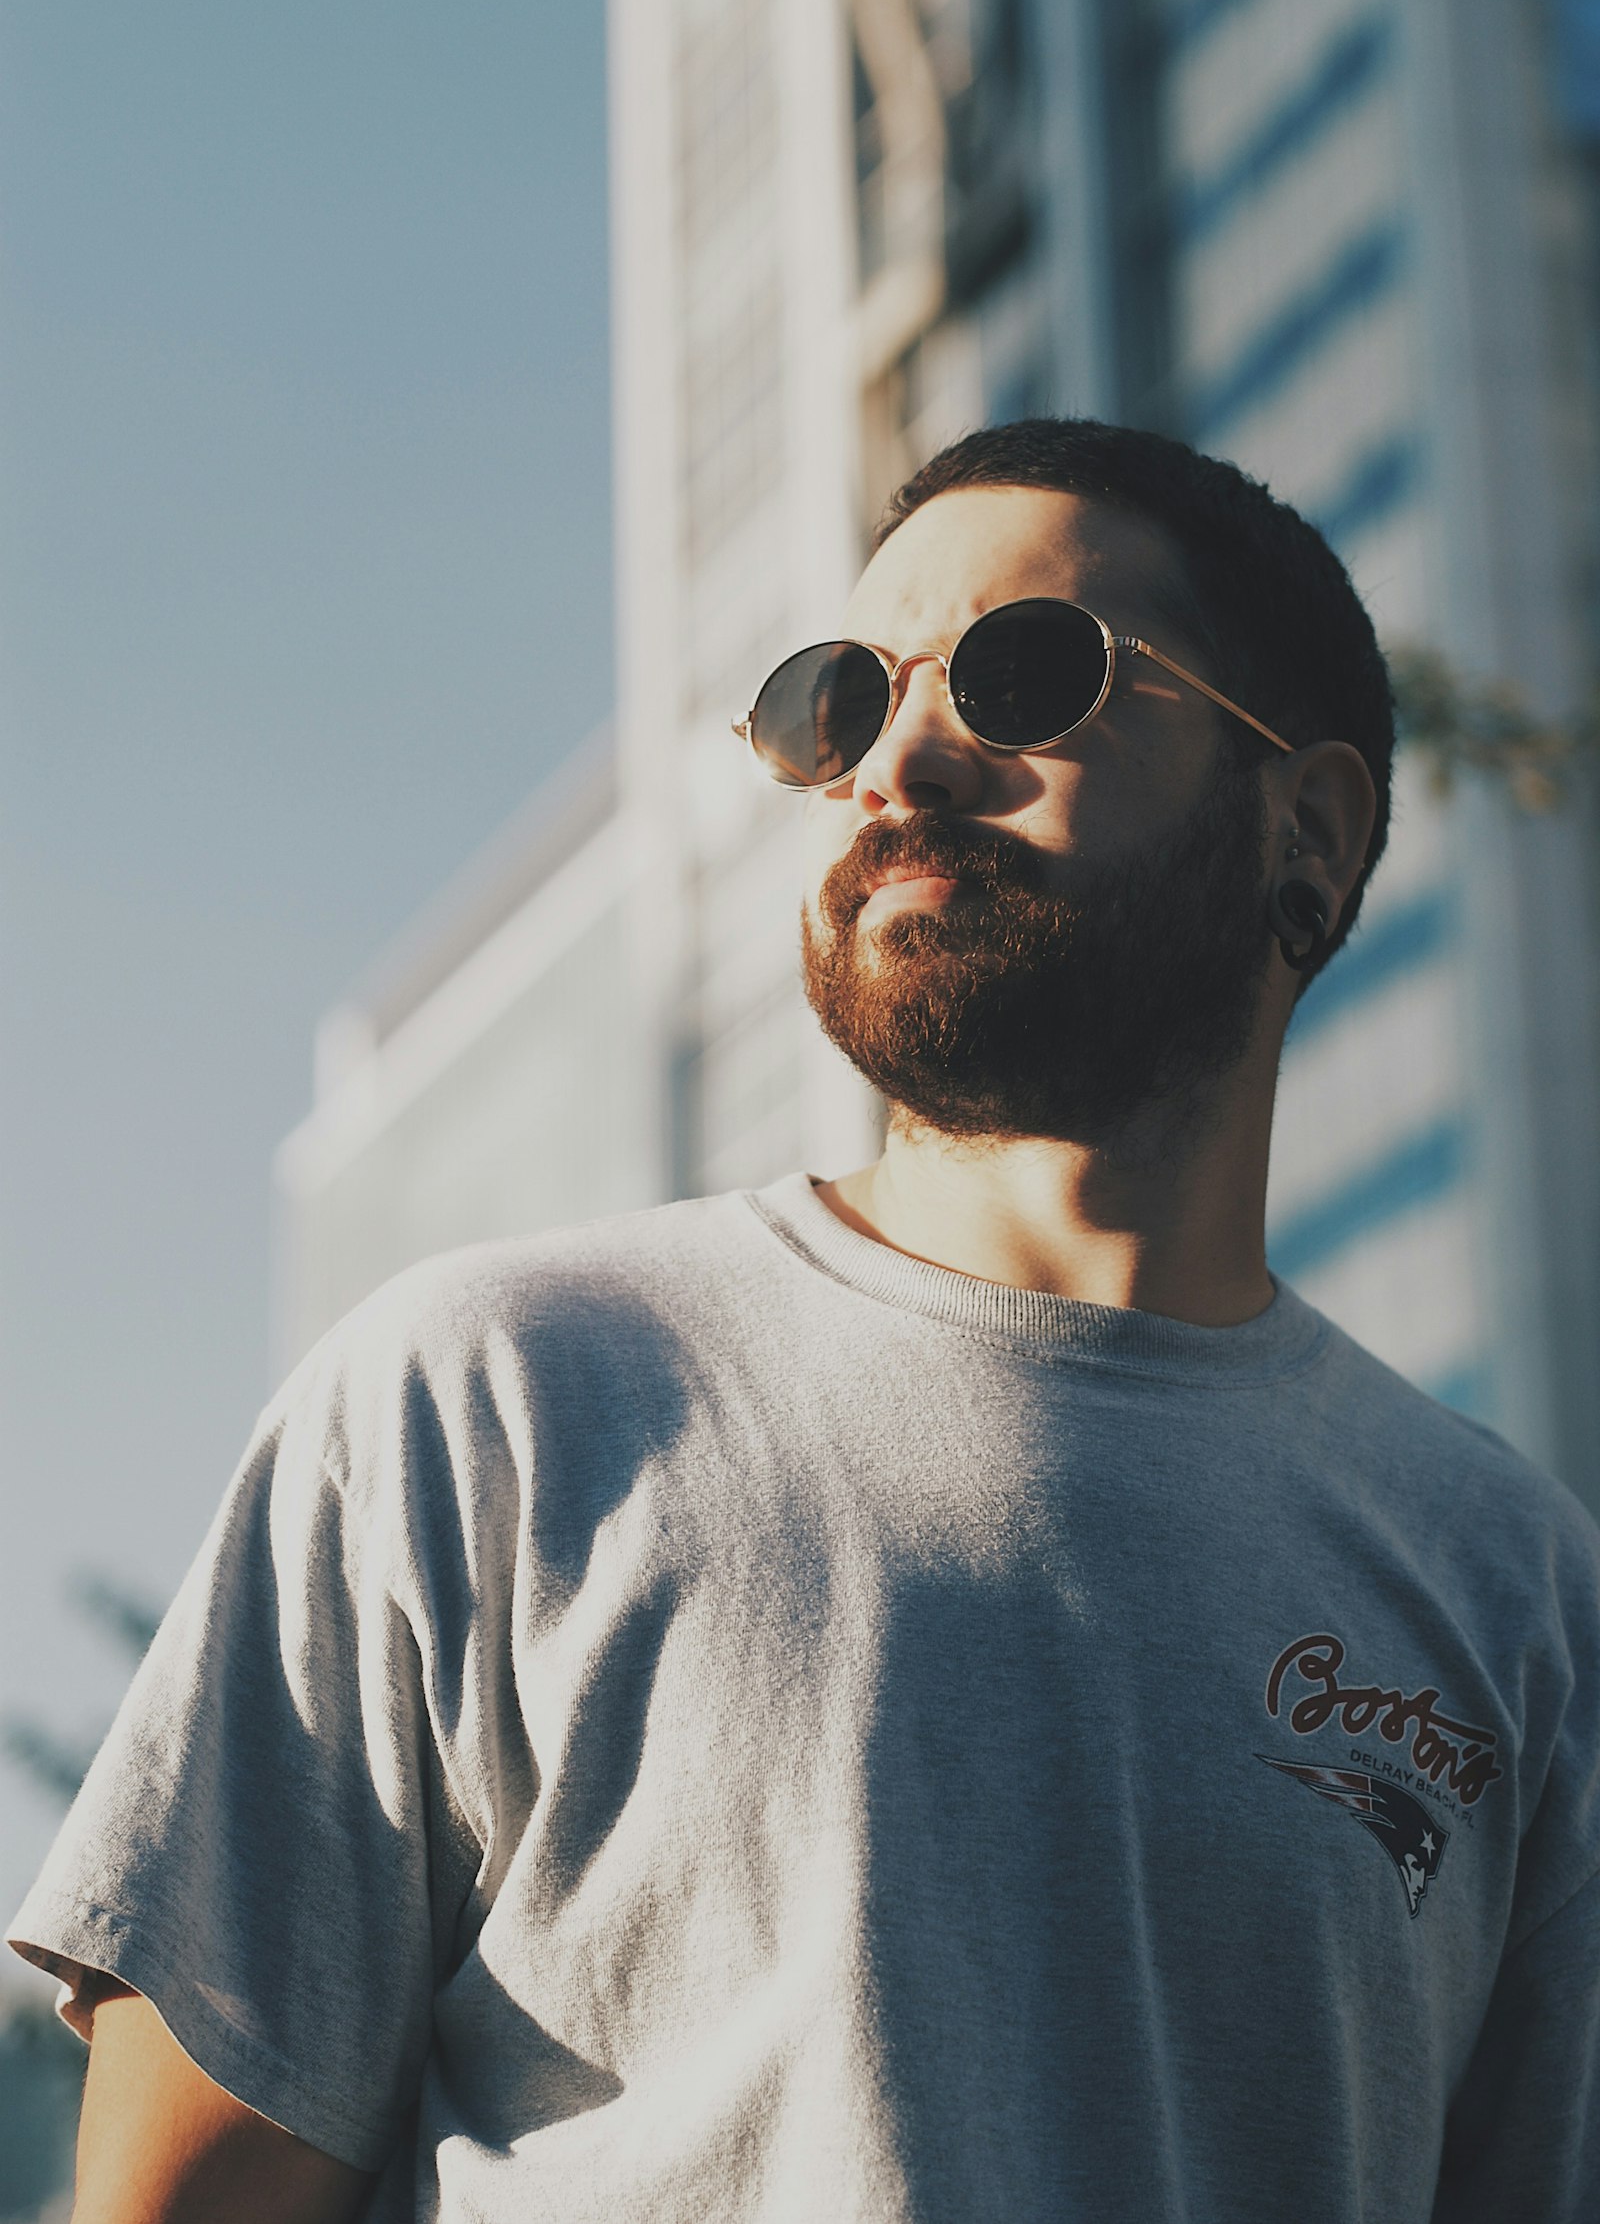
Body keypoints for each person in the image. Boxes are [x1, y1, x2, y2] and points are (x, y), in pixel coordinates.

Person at [12, 418, 1600, 2223]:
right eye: (844, 700)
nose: (897, 761)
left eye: (1024, 677)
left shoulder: (1517, 1594)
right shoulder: (483, 1405)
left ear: (1305, 827)